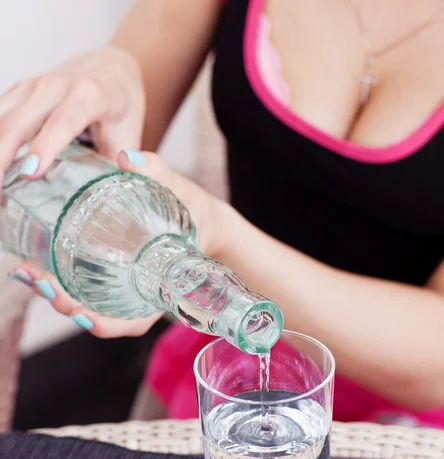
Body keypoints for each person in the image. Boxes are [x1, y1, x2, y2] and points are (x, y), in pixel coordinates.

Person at [5, 0, 444, 427]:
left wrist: (222, 235)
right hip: (233, 360)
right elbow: (121, 130)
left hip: (409, 413)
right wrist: (111, 71)